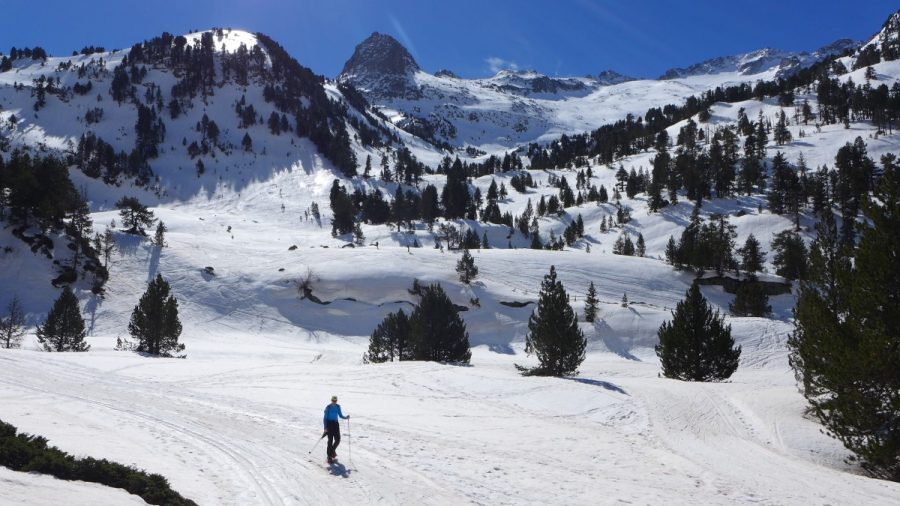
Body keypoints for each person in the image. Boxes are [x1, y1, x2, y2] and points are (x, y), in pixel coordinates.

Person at [323, 395, 349, 464]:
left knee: (338, 439)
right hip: (329, 425)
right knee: (330, 441)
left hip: (336, 424)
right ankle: (329, 456)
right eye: (333, 400)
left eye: (335, 401)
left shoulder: (338, 406)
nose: (334, 402)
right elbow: (325, 418)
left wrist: (346, 417)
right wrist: (325, 427)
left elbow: (340, 415)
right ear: (331, 400)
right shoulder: (328, 407)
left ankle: (332, 451)